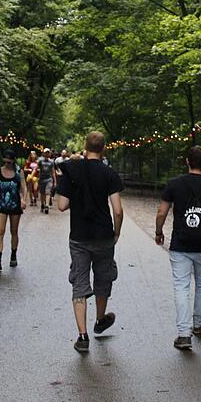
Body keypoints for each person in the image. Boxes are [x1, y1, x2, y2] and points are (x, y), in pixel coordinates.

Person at [55, 131, 124, 354]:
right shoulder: (109, 173)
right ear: (104, 148)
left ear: (85, 146)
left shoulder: (72, 171)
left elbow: (62, 206)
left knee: (80, 283)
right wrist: (116, 233)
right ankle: (100, 320)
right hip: (103, 235)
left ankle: (83, 336)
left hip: (79, 236)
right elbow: (118, 210)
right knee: (103, 278)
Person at [155, 144, 201, 350]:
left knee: (181, 286)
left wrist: (159, 232)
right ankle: (198, 323)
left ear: (187, 161)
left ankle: (183, 333)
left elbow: (161, 213)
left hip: (180, 244)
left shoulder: (174, 184)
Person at [0, 148, 27, 271]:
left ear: (13, 161)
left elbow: (24, 187)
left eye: (9, 162)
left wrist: (23, 199)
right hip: (1, 205)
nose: (6, 164)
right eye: (5, 162)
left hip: (14, 204)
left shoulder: (18, 172)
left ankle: (13, 255)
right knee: (0, 231)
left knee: (14, 231)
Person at [36, 148, 56, 213]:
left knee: (48, 192)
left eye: (48, 152)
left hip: (49, 179)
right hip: (41, 179)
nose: (47, 154)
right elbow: (36, 168)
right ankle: (42, 204)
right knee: (42, 193)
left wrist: (55, 181)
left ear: (49, 154)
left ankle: (46, 206)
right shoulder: (40, 161)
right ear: (43, 153)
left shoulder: (51, 162)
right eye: (46, 152)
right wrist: (32, 175)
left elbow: (53, 172)